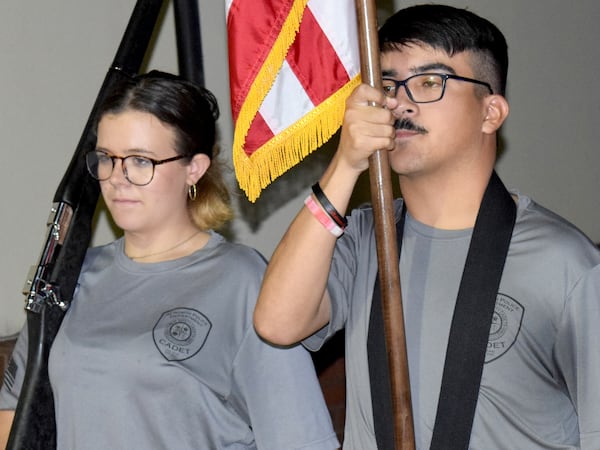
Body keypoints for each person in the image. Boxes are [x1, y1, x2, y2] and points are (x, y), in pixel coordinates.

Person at [253, 4, 600, 450]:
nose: (399, 102)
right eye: (388, 84)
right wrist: (345, 164)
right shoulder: (363, 241)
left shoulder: (562, 261)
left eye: (430, 82)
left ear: (490, 113)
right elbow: (277, 324)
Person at [0, 71, 339, 450]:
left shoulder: (241, 279)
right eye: (107, 159)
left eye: (141, 161)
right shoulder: (69, 278)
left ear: (194, 168)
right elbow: (13, 420)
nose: (118, 178)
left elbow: (300, 438)